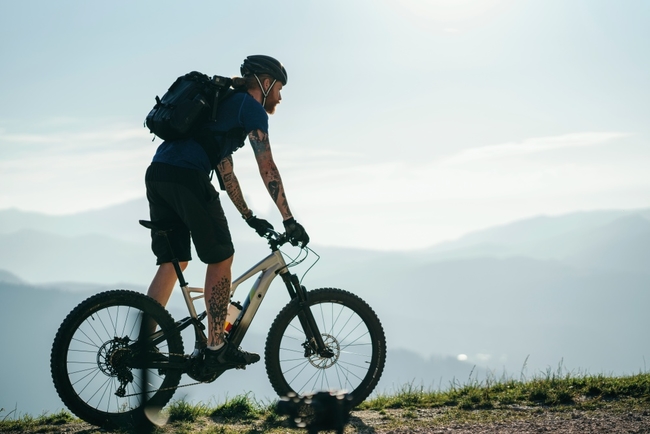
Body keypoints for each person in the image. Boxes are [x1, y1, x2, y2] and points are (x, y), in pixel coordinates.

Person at [144, 55, 309, 374]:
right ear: (266, 82)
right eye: (280, 88)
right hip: (187, 176)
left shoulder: (223, 106)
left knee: (174, 261)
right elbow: (267, 166)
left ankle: (140, 343)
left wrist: (249, 216)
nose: (280, 97)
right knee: (221, 258)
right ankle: (216, 345)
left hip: (159, 173)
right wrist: (288, 219)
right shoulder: (251, 109)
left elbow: (226, 172)